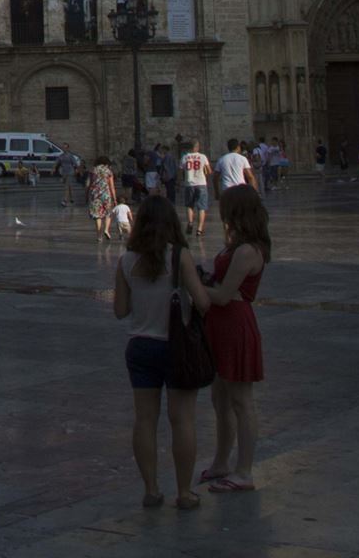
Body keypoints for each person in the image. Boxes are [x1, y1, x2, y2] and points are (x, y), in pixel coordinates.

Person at [113, 194, 214, 510]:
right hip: (175, 345)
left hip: (140, 346)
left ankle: (152, 489)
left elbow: (120, 310)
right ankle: (184, 493)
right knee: (182, 420)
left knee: (144, 419)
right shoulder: (179, 256)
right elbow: (203, 302)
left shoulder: (127, 260)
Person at [200, 184, 269, 494]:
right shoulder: (235, 245)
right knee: (220, 399)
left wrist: (193, 287)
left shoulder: (247, 250)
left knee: (241, 401)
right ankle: (220, 462)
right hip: (218, 325)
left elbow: (226, 295)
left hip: (234, 324)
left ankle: (244, 472)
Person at [180, 140, 211, 237]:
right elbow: (209, 171)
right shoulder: (203, 157)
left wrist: (180, 180)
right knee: (202, 207)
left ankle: (190, 222)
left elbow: (180, 170)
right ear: (197, 147)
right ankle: (199, 229)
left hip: (189, 183)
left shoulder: (185, 157)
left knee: (189, 205)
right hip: (201, 183)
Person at [88, 156, 119, 240]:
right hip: (106, 194)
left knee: (97, 215)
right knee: (108, 213)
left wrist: (88, 193)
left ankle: (99, 236)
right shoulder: (108, 171)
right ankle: (106, 230)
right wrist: (115, 199)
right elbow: (111, 186)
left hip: (95, 194)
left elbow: (90, 183)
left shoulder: (93, 170)